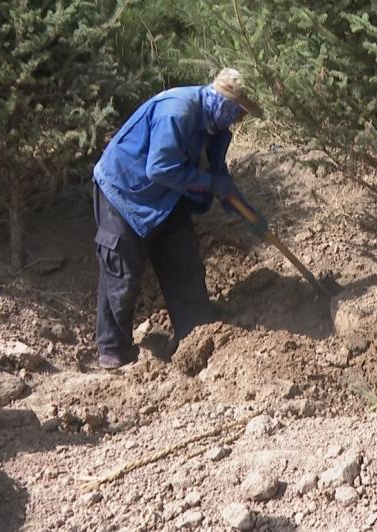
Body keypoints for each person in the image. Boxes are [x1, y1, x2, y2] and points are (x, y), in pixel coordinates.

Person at [91, 68, 267, 369]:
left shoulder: (216, 126)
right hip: (125, 191)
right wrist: (210, 184)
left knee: (183, 262)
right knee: (122, 273)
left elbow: (215, 172)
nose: (241, 120)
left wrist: (239, 204)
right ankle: (113, 351)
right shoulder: (178, 111)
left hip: (167, 196)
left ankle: (196, 334)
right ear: (225, 103)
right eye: (240, 112)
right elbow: (158, 168)